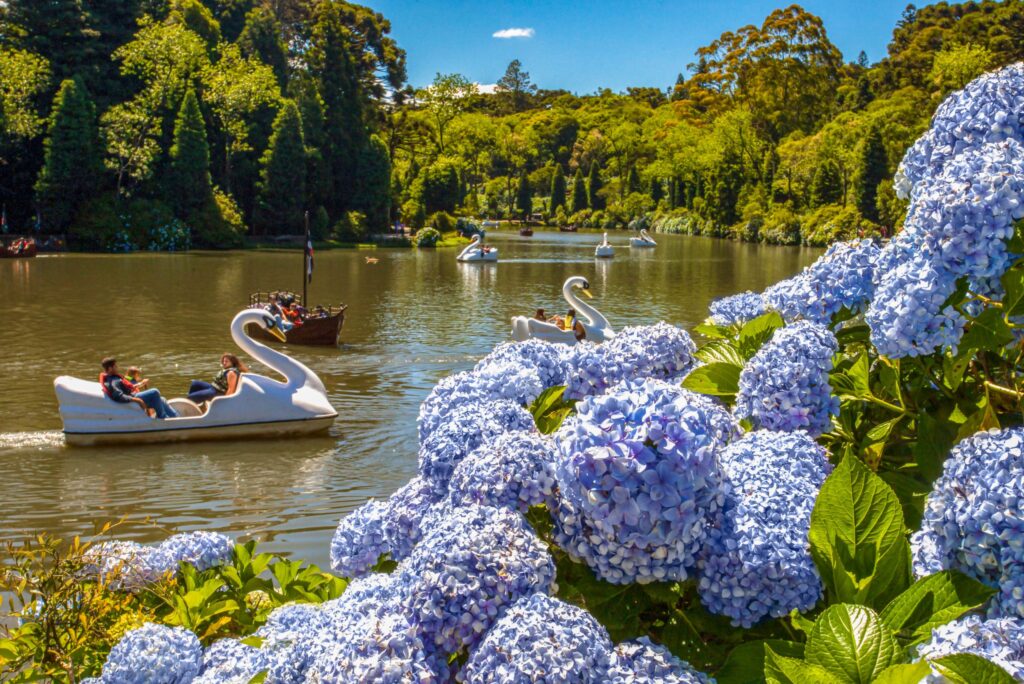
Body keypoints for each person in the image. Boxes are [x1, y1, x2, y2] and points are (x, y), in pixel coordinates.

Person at [100, 357, 178, 419]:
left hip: (132, 395)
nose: (117, 368)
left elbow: (127, 387)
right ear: (110, 368)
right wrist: (138, 400)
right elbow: (118, 395)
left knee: (162, 399)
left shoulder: (113, 378)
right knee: (155, 392)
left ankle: (176, 418)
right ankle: (162, 418)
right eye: (115, 366)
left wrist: (140, 384)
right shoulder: (113, 381)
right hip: (132, 399)